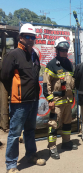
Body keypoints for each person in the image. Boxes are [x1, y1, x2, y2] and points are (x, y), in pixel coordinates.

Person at [1, 23, 46, 173]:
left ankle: (31, 155)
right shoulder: (13, 54)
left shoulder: (34, 55)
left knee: (30, 130)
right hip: (19, 102)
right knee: (14, 133)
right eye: (28, 36)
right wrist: (16, 92)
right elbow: (4, 77)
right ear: (21, 37)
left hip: (33, 100)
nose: (31, 39)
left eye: (33, 37)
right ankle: (11, 164)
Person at [43, 37, 78, 160]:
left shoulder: (68, 63)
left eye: (66, 50)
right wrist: (50, 100)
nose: (64, 52)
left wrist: (72, 96)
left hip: (67, 101)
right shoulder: (51, 64)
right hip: (56, 102)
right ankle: (52, 147)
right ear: (57, 50)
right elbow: (46, 84)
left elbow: (71, 82)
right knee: (53, 125)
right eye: (62, 50)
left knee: (67, 123)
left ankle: (66, 142)